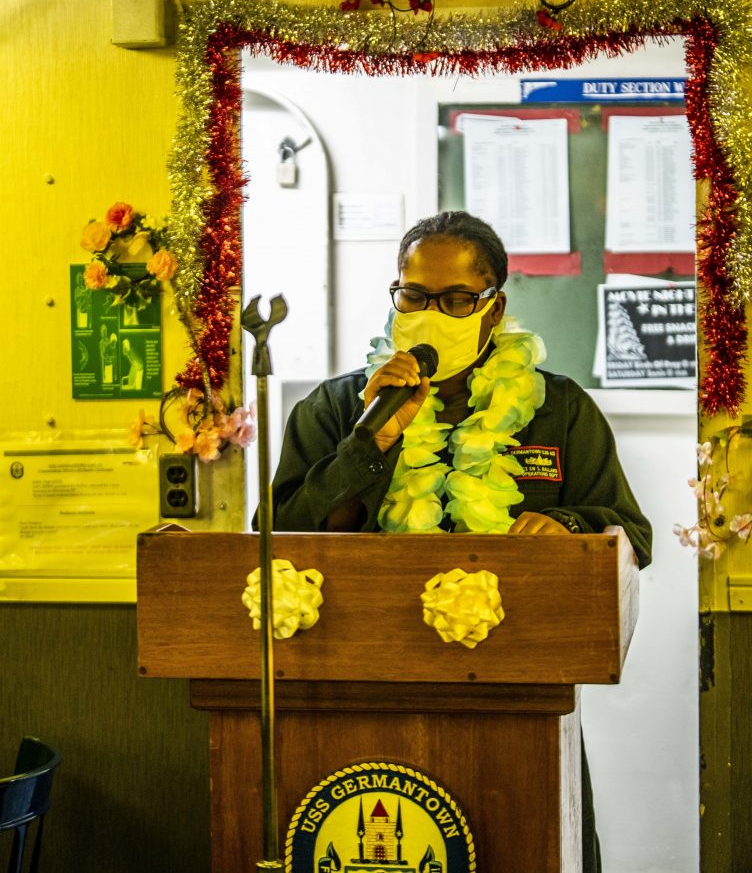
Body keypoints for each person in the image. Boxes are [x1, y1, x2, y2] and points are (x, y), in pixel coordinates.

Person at [266, 210, 652, 872]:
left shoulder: (559, 409)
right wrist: (371, 441)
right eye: (413, 296)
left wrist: (570, 526)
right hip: (364, 691)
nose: (429, 312)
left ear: (493, 309)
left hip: (519, 699)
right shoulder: (335, 408)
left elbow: (631, 532)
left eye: (454, 300)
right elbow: (279, 537)